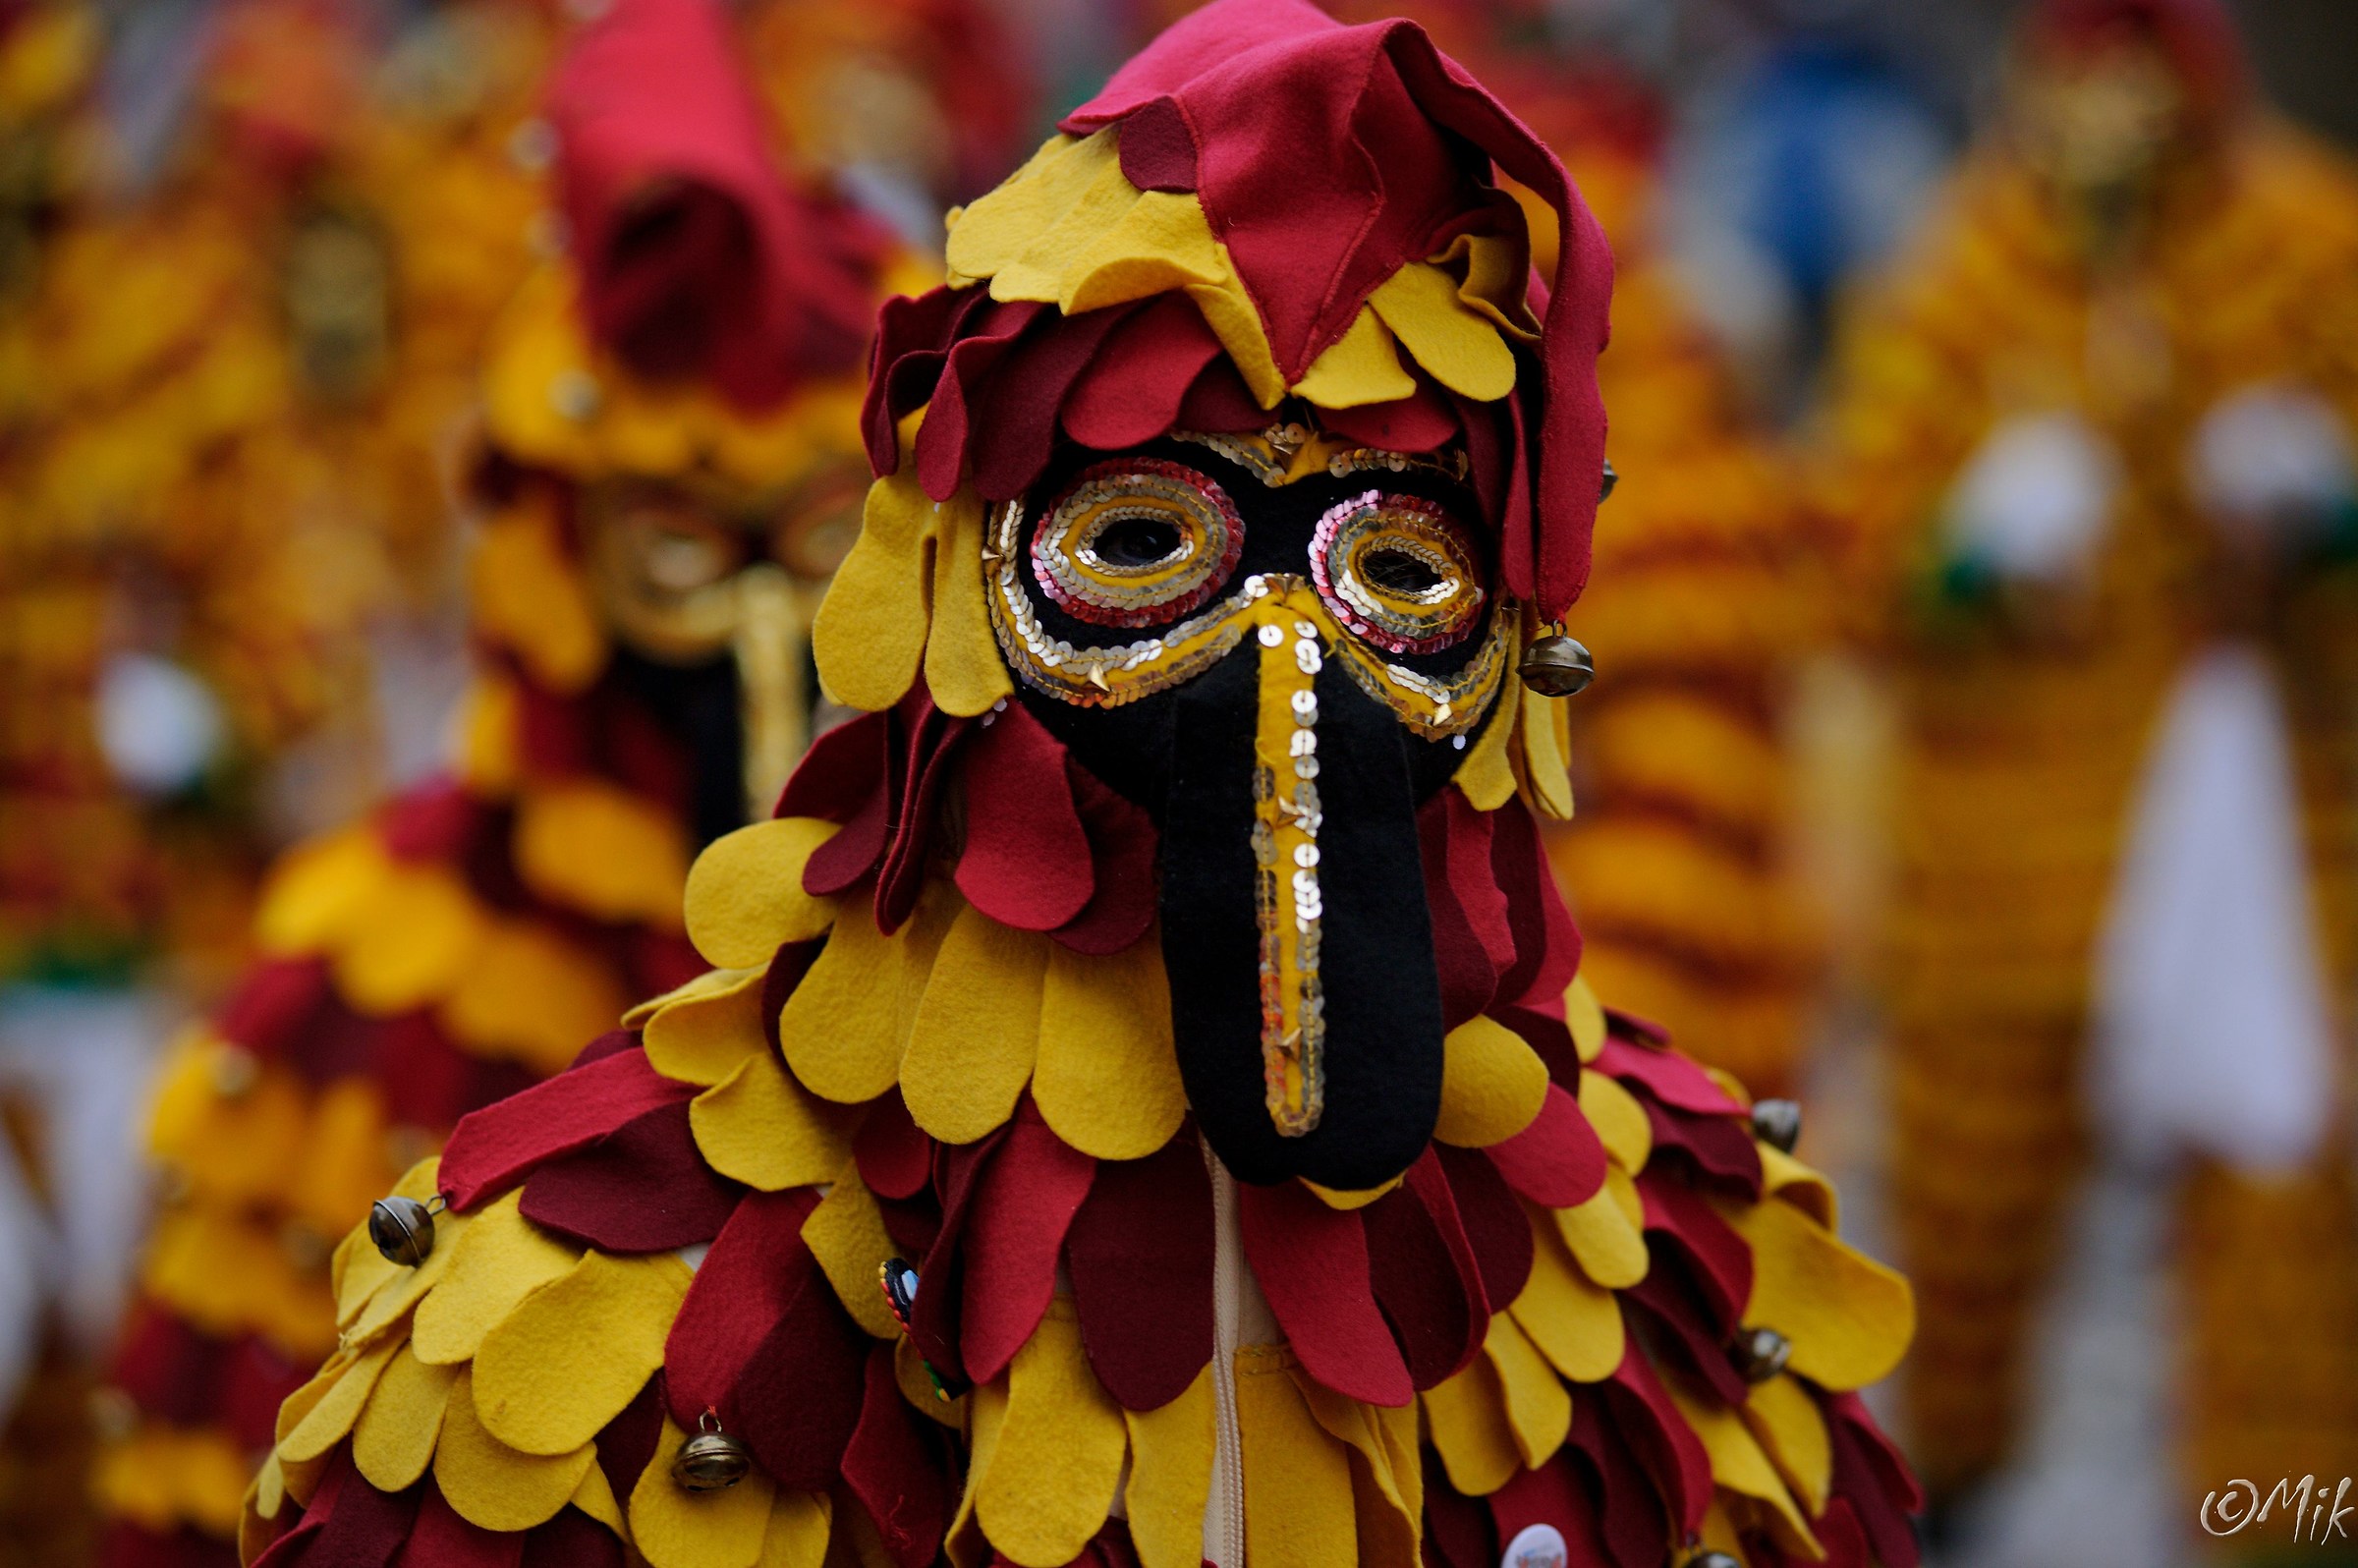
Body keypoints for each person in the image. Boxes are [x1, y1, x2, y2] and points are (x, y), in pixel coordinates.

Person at [241, 5, 1921, 1566]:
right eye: (1143, 547)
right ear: (948, 599)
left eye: (1397, 570)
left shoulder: (1684, 1288)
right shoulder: (572, 1326)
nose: (1283, 658)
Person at [91, 1, 893, 1561]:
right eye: (677, 547)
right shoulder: (352, 992)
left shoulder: (995, 956)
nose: (758, 631)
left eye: (821, 548)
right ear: (562, 553)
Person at [1816, 0, 2358, 1532]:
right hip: (1999, 864)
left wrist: (2321, 526)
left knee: (2281, 1216)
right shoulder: (1957, 271)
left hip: (2270, 841)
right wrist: (1964, 567)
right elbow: (1846, 564)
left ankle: (2285, 1521)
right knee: (1969, 1229)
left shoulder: (2315, 244)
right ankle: (1954, 1499)